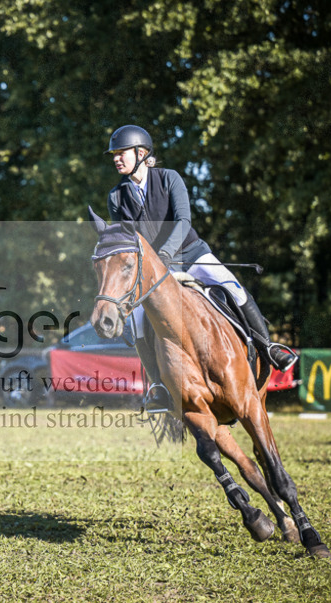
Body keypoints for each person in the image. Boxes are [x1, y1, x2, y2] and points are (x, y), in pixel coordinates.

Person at [101, 124, 297, 412]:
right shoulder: (116, 197)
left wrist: (165, 253)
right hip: (154, 271)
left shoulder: (169, 179)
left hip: (192, 254)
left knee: (231, 286)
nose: (117, 158)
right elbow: (129, 240)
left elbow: (184, 221)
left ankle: (269, 347)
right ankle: (158, 386)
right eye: (114, 155)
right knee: (138, 319)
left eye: (122, 153)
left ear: (141, 153)